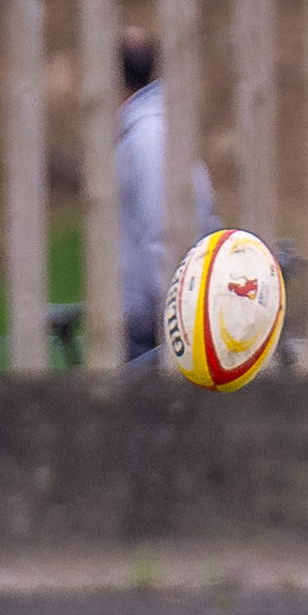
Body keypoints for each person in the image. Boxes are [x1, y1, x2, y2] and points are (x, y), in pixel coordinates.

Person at [116, 27, 221, 364]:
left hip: (156, 335)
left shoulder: (148, 138)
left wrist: (178, 334)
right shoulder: (153, 130)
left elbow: (164, 239)